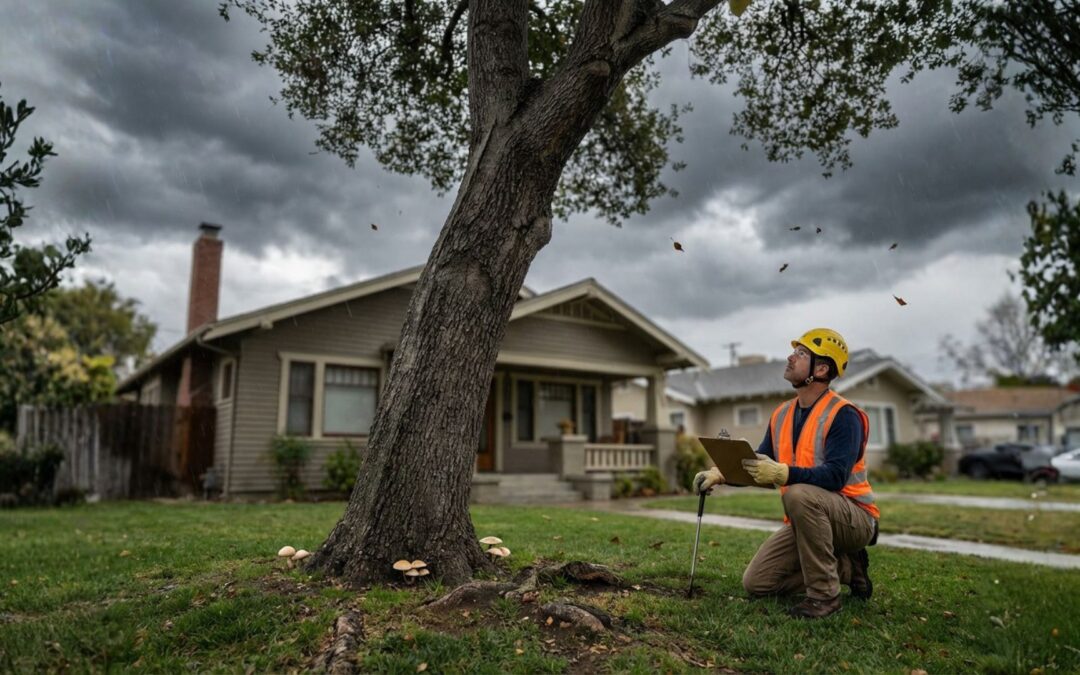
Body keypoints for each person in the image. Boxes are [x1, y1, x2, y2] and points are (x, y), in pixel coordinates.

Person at [693, 328, 878, 619]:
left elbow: (835, 477)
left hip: (854, 519)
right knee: (758, 583)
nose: (790, 357)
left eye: (801, 353)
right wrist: (722, 473)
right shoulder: (782, 414)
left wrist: (783, 473)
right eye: (794, 351)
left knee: (797, 492)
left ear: (820, 368)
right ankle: (846, 568)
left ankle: (824, 597)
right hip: (809, 517)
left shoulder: (845, 415)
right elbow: (760, 465)